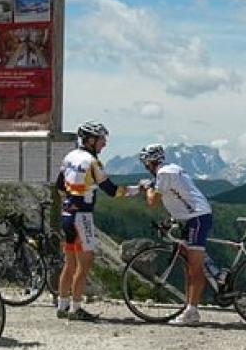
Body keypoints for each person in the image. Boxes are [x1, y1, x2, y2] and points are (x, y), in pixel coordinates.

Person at [55, 121, 139, 321]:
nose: (105, 144)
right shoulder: (92, 162)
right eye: (102, 139)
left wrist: (70, 202)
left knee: (69, 263)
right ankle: (75, 309)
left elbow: (59, 185)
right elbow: (112, 190)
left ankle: (62, 306)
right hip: (82, 216)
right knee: (84, 264)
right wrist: (138, 189)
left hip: (67, 214)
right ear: (91, 140)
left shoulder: (70, 156)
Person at [138, 143, 223, 326]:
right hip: (194, 216)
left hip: (196, 218)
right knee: (188, 265)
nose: (146, 168)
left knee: (194, 267)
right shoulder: (174, 169)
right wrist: (172, 220)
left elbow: (153, 201)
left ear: (150, 162)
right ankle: (190, 305)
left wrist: (146, 188)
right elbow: (178, 196)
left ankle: (192, 312)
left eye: (145, 164)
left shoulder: (162, 174)